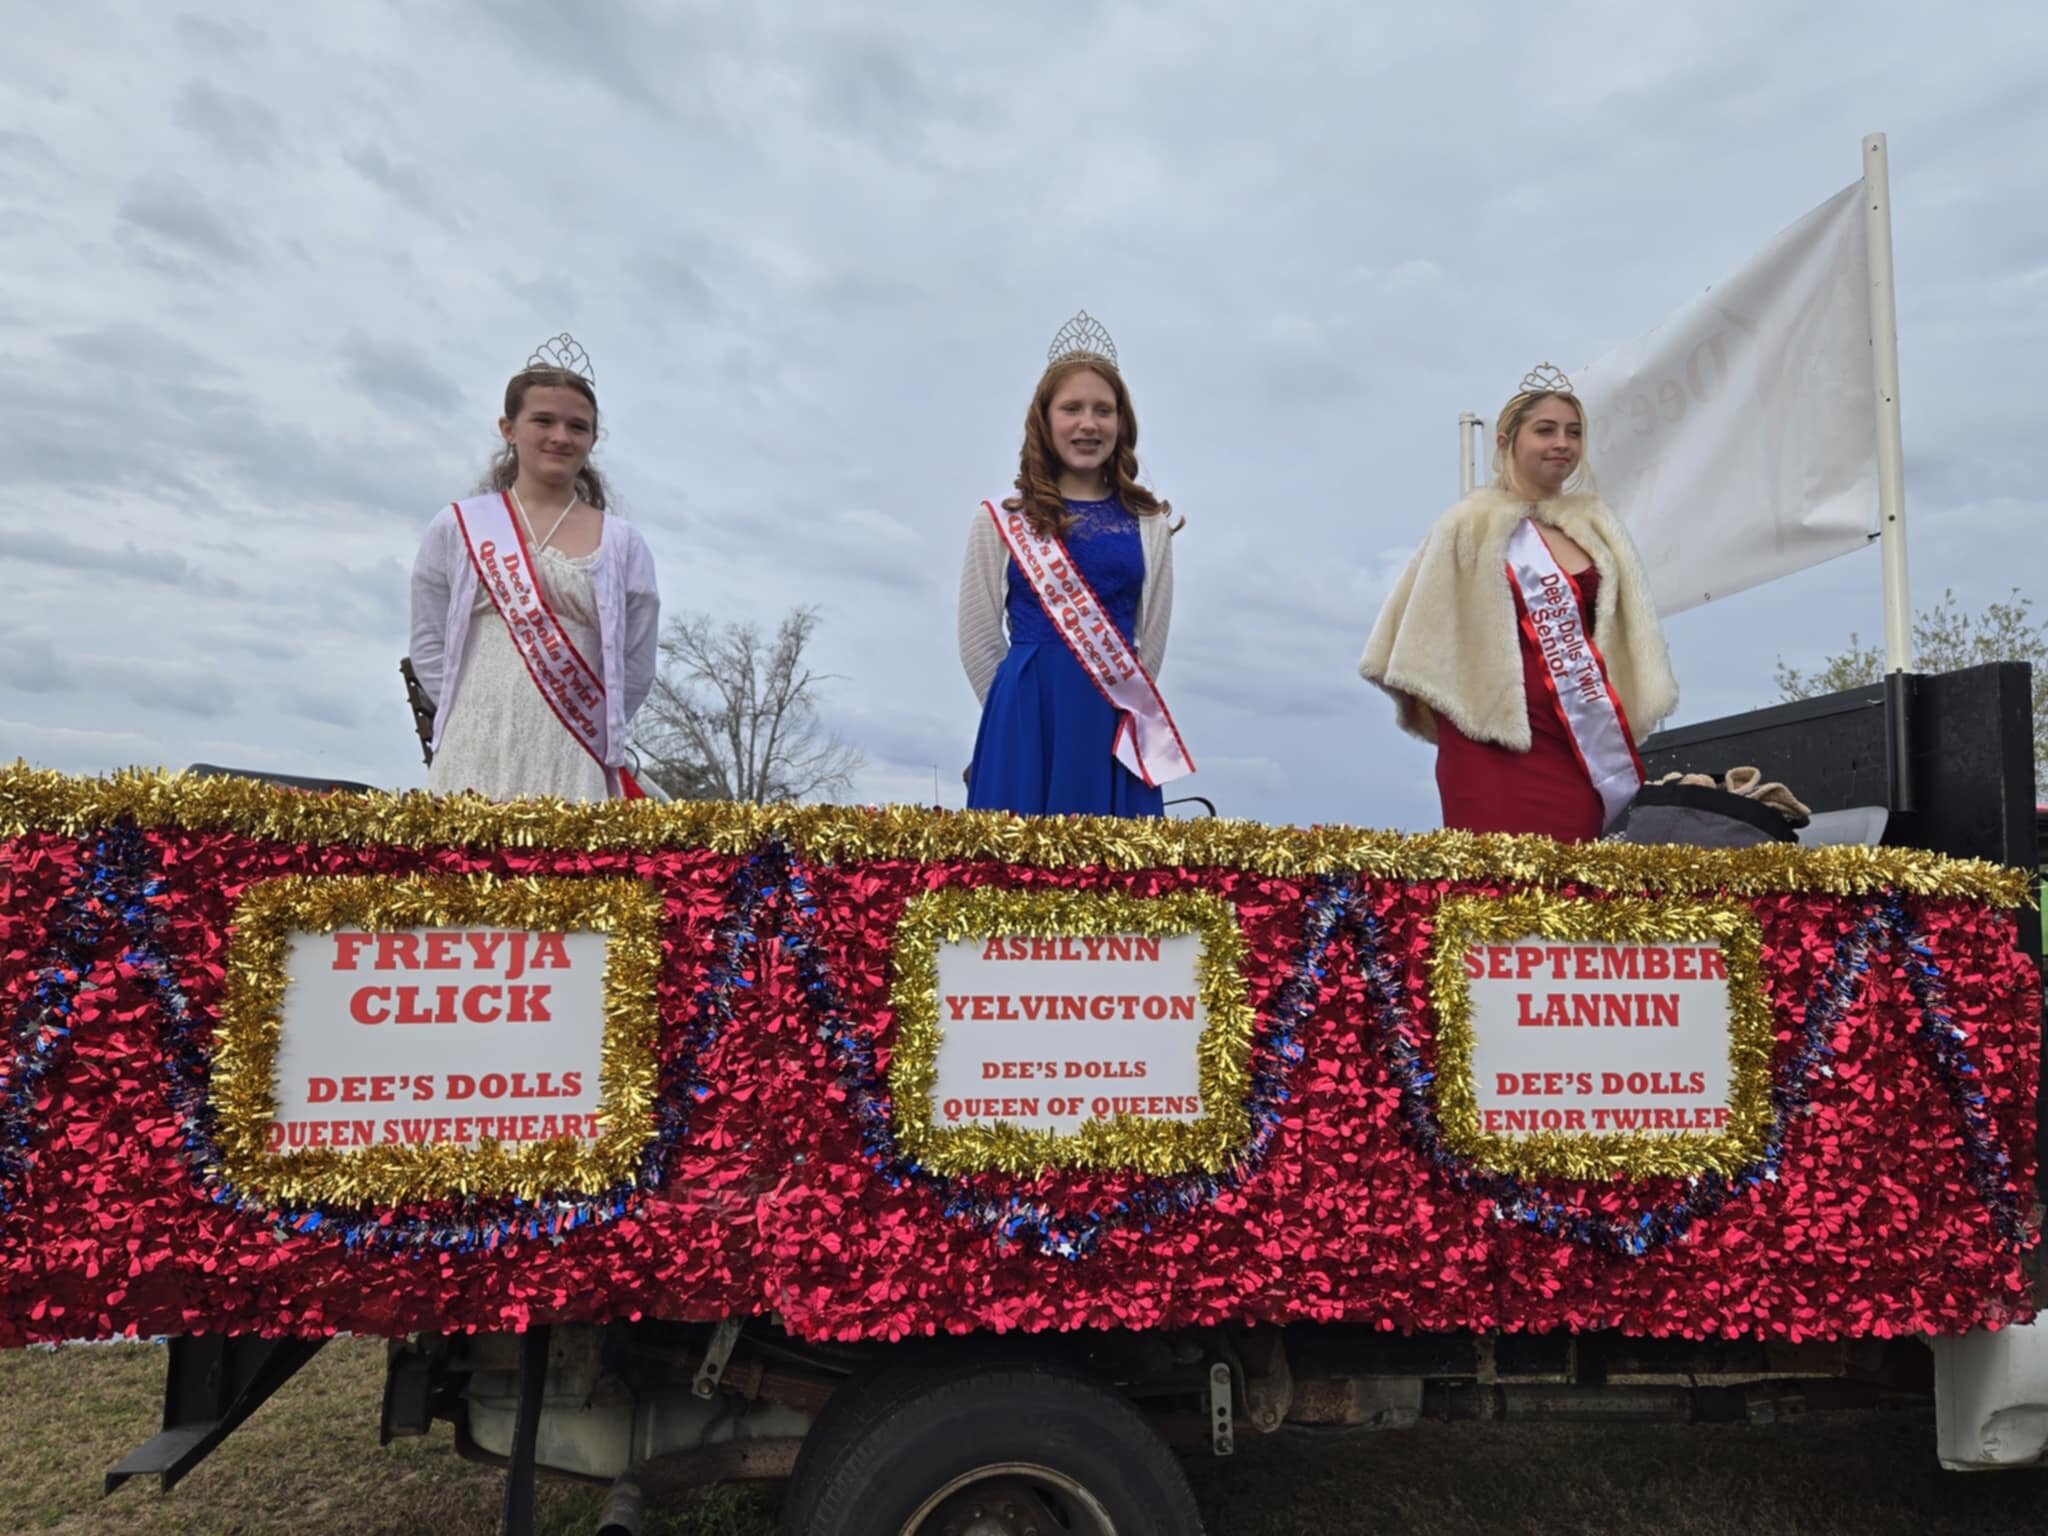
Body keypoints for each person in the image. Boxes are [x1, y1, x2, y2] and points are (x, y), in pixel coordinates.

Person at [1359, 364, 1677, 842]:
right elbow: (1418, 631)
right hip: (1489, 738)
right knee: (1500, 891)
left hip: (1579, 737)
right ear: (1506, 442)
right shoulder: (1468, 524)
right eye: (1544, 430)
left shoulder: (1599, 530)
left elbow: (1625, 634)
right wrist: (1460, 707)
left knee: (1575, 885)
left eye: (1573, 433)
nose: (1562, 444)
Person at [958, 312, 1194, 816]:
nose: (1088, 424)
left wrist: (1112, 715)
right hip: (1024, 723)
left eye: (1103, 410)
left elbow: (1149, 643)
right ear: (1044, 420)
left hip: (1114, 727)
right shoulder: (999, 519)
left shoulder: (1150, 523)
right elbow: (978, 640)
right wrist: (1014, 725)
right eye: (1071, 408)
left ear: (1121, 423)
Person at [409, 335, 661, 802]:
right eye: (543, 420)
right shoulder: (457, 527)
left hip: (574, 748)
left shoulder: (623, 543)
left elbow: (637, 663)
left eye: (577, 426)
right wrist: (472, 711)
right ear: (509, 428)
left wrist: (588, 718)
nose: (560, 437)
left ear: (593, 438)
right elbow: (428, 642)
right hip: (471, 746)